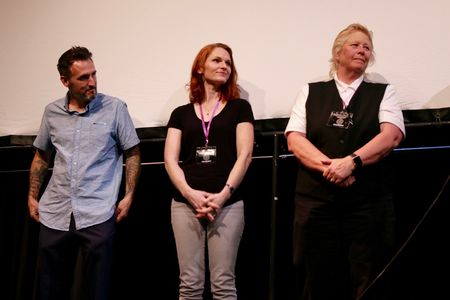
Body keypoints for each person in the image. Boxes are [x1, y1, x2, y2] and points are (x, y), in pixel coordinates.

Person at [285, 23, 405, 300]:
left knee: (368, 275)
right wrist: (332, 167)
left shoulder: (383, 92)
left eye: (367, 47)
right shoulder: (310, 91)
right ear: (338, 53)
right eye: (356, 44)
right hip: (316, 204)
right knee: (317, 275)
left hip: (367, 204)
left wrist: (352, 162)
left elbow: (392, 136)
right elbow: (295, 139)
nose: (363, 50)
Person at [27, 46, 141, 300]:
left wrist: (129, 195)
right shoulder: (52, 112)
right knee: (48, 287)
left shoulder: (115, 108)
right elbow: (41, 157)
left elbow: (132, 153)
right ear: (65, 81)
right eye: (83, 77)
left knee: (97, 288)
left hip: (97, 209)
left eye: (94, 74)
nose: (92, 82)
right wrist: (32, 196)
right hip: (56, 210)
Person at [164, 42, 254, 300]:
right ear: (201, 68)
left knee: (223, 284)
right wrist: (190, 194)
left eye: (228, 62)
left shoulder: (240, 108)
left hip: (227, 203)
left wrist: (223, 195)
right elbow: (170, 159)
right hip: (185, 204)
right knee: (189, 284)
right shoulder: (180, 114)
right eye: (217, 60)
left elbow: (245, 155)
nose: (224, 65)